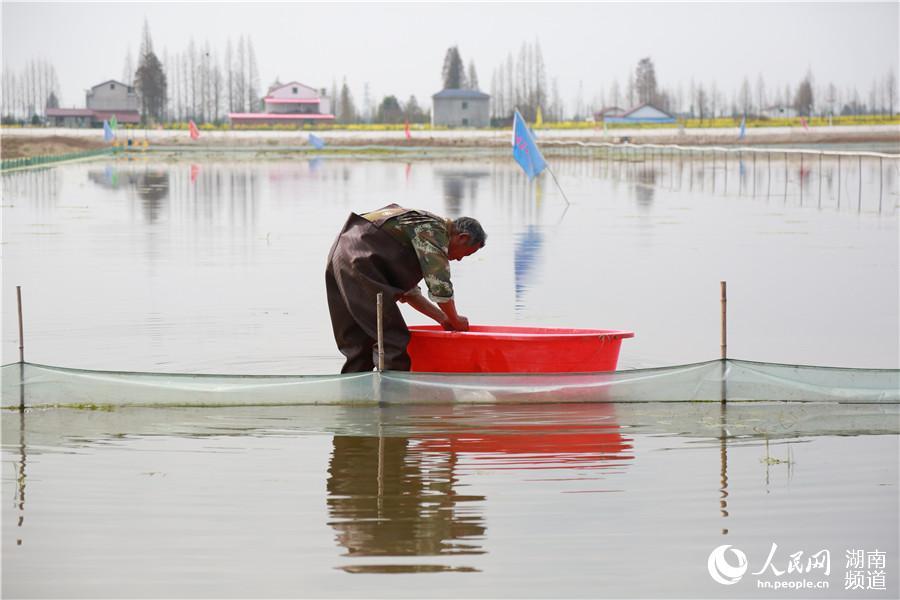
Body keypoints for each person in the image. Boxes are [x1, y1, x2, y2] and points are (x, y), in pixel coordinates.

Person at [325, 204, 486, 373]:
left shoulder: (416, 227)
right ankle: (393, 396)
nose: (459, 259)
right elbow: (439, 284)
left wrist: (442, 318)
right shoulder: (433, 230)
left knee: (358, 343)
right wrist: (455, 319)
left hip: (341, 256)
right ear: (462, 237)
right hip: (361, 262)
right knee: (393, 340)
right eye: (466, 253)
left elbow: (410, 293)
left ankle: (355, 397)